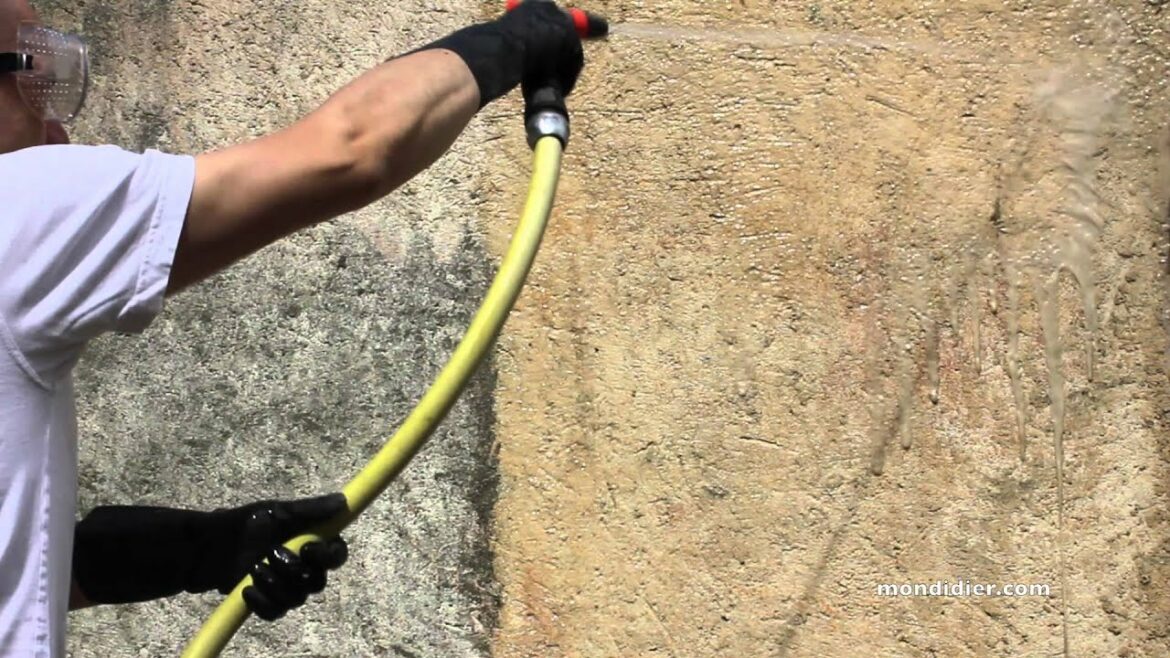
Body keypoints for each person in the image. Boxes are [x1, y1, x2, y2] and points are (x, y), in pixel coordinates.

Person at [0, 0, 586, 655]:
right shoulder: (15, 208)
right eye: (33, 79)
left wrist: (202, 551)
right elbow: (353, 150)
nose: (56, 131)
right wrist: (512, 44)